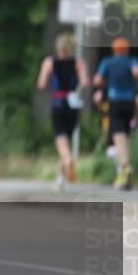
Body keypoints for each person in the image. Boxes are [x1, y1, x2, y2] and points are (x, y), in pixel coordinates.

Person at [36, 32, 90, 191]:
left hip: (58, 102)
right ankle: (60, 181)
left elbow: (41, 83)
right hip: (73, 104)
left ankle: (67, 162)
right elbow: (86, 82)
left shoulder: (49, 62)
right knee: (66, 142)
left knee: (61, 139)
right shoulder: (79, 62)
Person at [93, 37, 138, 190]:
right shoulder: (132, 61)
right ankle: (123, 175)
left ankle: (125, 167)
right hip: (130, 102)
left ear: (114, 50)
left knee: (117, 135)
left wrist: (100, 89)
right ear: (126, 50)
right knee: (125, 137)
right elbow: (137, 73)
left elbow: (97, 80)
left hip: (115, 102)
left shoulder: (107, 62)